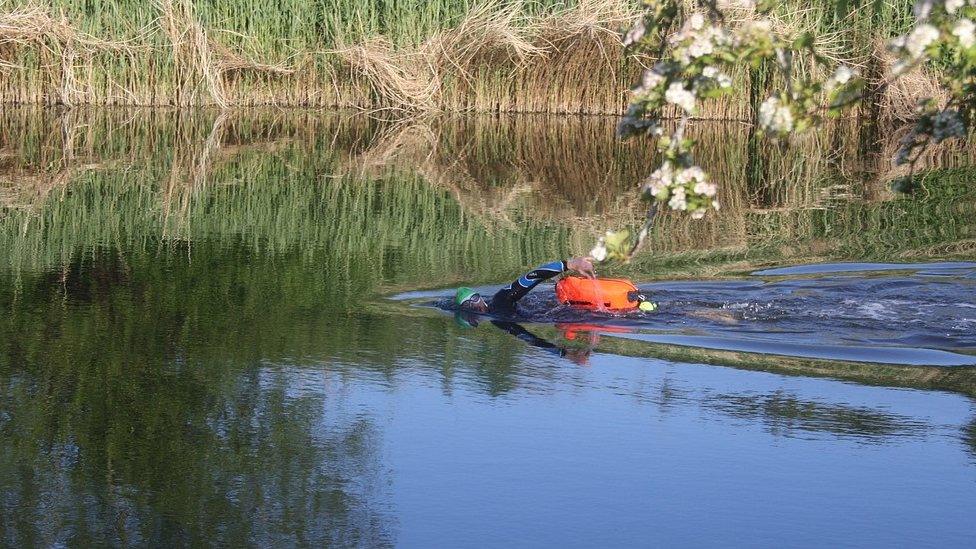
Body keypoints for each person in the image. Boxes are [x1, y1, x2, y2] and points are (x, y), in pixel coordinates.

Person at [454, 257, 595, 315]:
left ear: (481, 298)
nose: (475, 306)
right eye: (468, 305)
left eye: (475, 299)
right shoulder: (498, 322)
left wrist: (568, 264)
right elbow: (532, 341)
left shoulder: (500, 299)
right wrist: (563, 353)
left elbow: (530, 278)